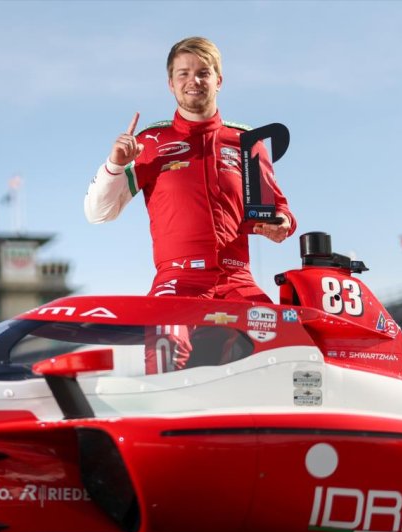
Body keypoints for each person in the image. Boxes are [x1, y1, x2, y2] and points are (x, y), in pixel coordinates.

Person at [84, 36, 297, 373]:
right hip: (178, 280)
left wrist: (281, 224)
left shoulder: (248, 141)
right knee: (167, 347)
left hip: (237, 279)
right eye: (183, 74)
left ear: (218, 80)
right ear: (170, 84)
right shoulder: (150, 141)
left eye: (203, 72)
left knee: (284, 348)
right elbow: (98, 213)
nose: (193, 81)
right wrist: (114, 164)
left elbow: (280, 212)